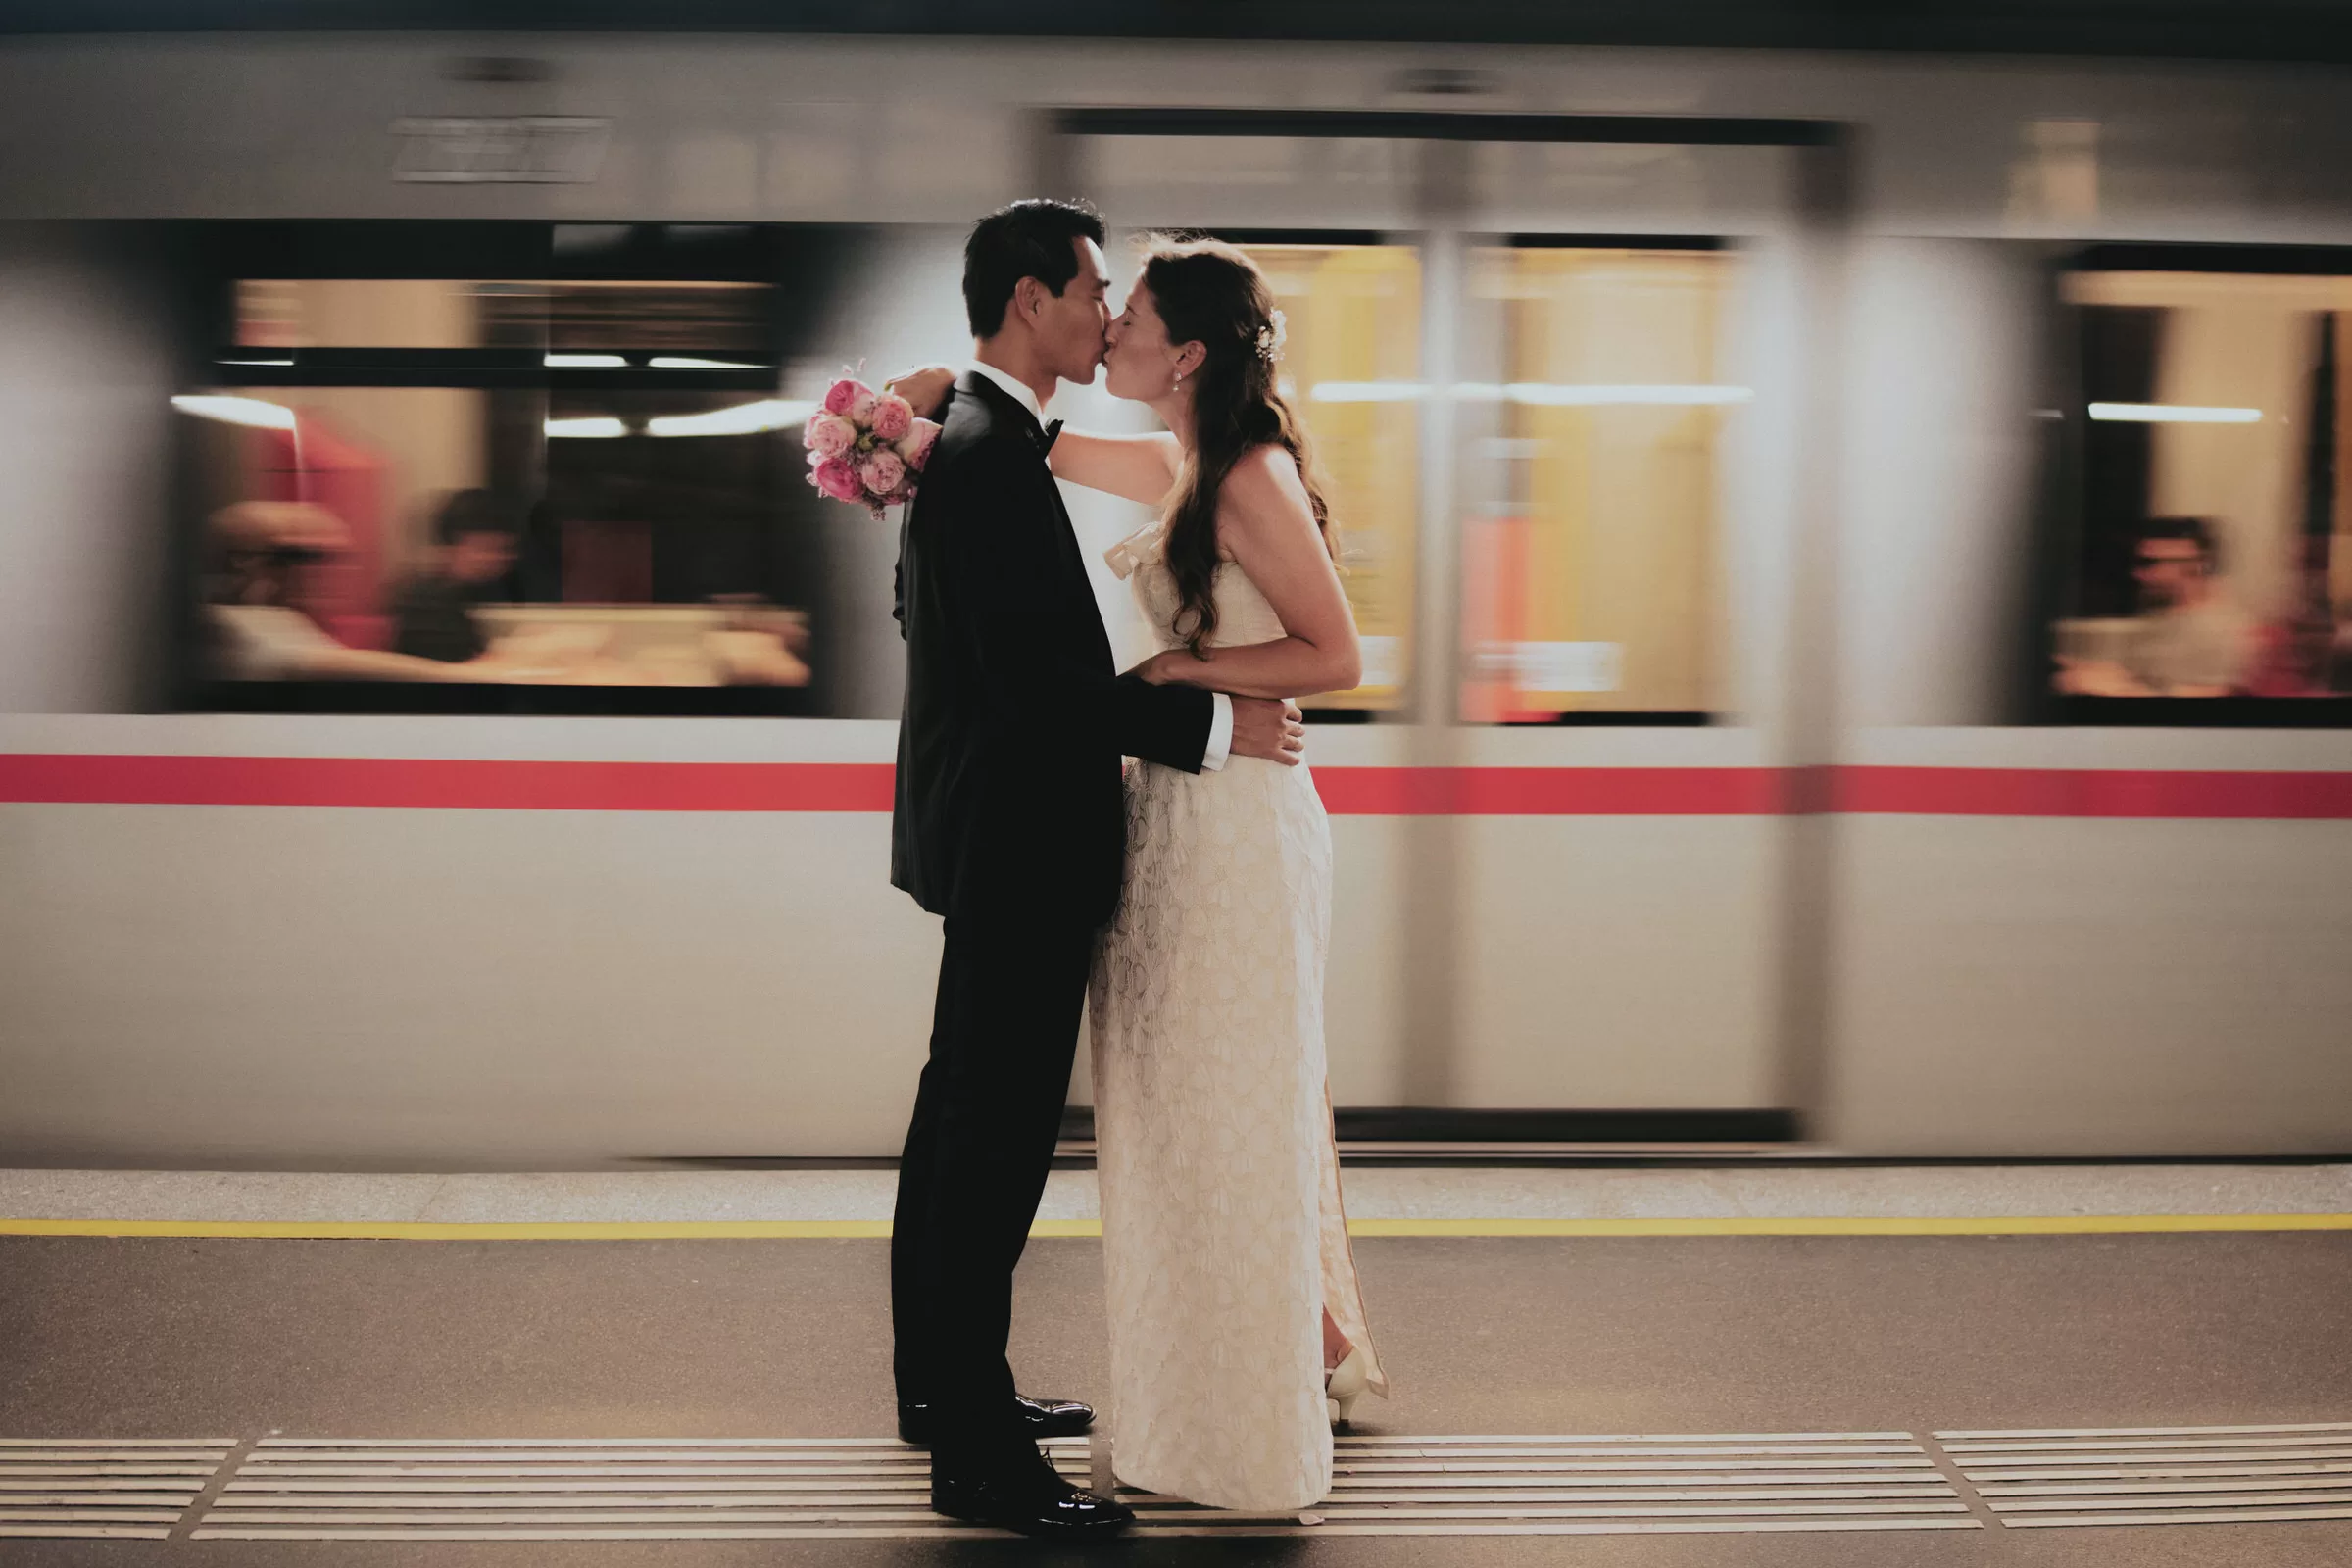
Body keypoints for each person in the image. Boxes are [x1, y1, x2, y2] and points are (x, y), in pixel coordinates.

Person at [890, 232, 1388, 1517]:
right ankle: (1202, 1378)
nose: (1109, 323)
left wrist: (1180, 676)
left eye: (1133, 311)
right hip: (1170, 821)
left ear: (1189, 353)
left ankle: (1259, 1390)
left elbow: (1337, 656)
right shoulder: (1176, 461)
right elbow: (1022, 440)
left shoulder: (1248, 474)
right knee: (1171, 1122)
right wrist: (915, 402)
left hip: (1237, 829)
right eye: (1097, 298)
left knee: (1227, 1107)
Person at [2058, 515, 2254, 697]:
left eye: (2149, 563)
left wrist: (2117, 690)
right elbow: (2150, 679)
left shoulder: (2222, 629)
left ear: (2192, 564)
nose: (2138, 574)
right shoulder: (2164, 613)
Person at [391, 489, 519, 663]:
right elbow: (456, 670)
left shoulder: (475, 593)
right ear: (449, 548)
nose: (496, 559)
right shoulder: (425, 603)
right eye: (484, 548)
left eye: (504, 550)